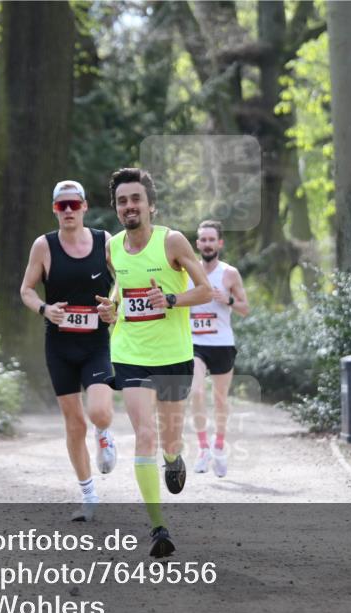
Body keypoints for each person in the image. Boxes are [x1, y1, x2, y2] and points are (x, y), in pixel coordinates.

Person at [95, 168, 212, 558]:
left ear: (150, 205)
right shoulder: (112, 247)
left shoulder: (172, 241)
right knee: (145, 434)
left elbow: (205, 290)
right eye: (122, 201)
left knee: (170, 438)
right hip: (129, 353)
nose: (129, 206)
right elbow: (121, 287)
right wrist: (112, 308)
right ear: (116, 208)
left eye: (136, 199)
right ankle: (158, 527)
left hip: (173, 355)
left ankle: (173, 458)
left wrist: (172, 300)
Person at [20, 180, 117, 522]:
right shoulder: (44, 246)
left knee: (99, 412)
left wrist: (114, 307)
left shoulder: (105, 241)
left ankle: (104, 435)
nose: (69, 211)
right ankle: (88, 495)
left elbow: (123, 281)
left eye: (74, 204)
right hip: (59, 345)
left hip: (96, 343)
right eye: (62, 206)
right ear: (55, 210)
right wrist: (45, 309)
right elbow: (26, 290)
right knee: (74, 423)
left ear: (84, 206)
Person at [187, 220, 249, 478]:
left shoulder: (229, 273)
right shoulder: (188, 271)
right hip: (194, 343)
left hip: (222, 343)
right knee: (196, 391)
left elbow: (245, 308)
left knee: (220, 398)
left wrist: (228, 299)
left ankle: (219, 445)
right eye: (203, 239)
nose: (207, 244)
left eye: (211, 239)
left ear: (219, 243)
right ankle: (203, 448)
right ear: (197, 243)